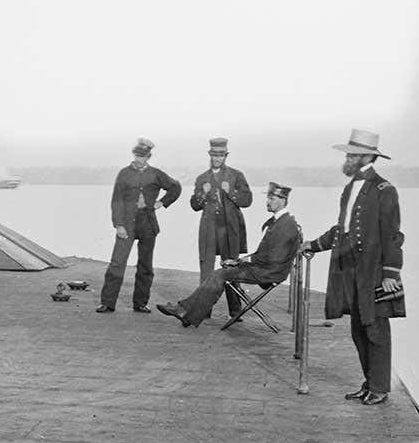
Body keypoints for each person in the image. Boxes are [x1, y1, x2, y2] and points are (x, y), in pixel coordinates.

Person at [303, 129, 405, 406]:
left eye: (351, 154)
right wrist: (314, 244)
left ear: (366, 156)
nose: (346, 159)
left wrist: (390, 274)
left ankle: (380, 387)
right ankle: (369, 383)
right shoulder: (350, 188)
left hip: (374, 271)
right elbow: (343, 230)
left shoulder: (385, 190)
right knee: (358, 329)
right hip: (349, 269)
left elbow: (392, 235)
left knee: (376, 328)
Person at [157, 182, 301, 327]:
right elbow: (266, 254)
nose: (267, 202)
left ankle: (185, 311)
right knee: (221, 272)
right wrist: (238, 261)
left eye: (272, 199)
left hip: (269, 272)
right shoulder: (281, 221)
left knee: (220, 274)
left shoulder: (286, 225)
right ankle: (187, 313)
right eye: (268, 198)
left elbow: (274, 258)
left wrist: (241, 262)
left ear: (282, 201)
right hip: (266, 268)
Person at [97, 138, 182, 314]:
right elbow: (116, 201)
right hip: (126, 225)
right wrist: (118, 224)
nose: (139, 159)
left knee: (145, 265)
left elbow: (175, 188)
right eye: (137, 155)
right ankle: (107, 302)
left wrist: (162, 203)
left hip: (148, 225)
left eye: (142, 156)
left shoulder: (156, 174)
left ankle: (141, 303)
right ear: (133, 154)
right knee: (117, 263)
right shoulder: (124, 174)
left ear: (148, 156)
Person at [190, 137, 253, 319]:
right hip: (209, 230)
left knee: (231, 269)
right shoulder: (202, 178)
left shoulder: (236, 176)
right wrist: (203, 193)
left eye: (221, 155)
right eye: (214, 155)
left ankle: (235, 311)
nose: (217, 158)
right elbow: (194, 205)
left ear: (226, 155)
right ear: (210, 155)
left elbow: (247, 200)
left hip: (229, 230)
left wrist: (231, 192)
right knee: (207, 270)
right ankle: (204, 310)